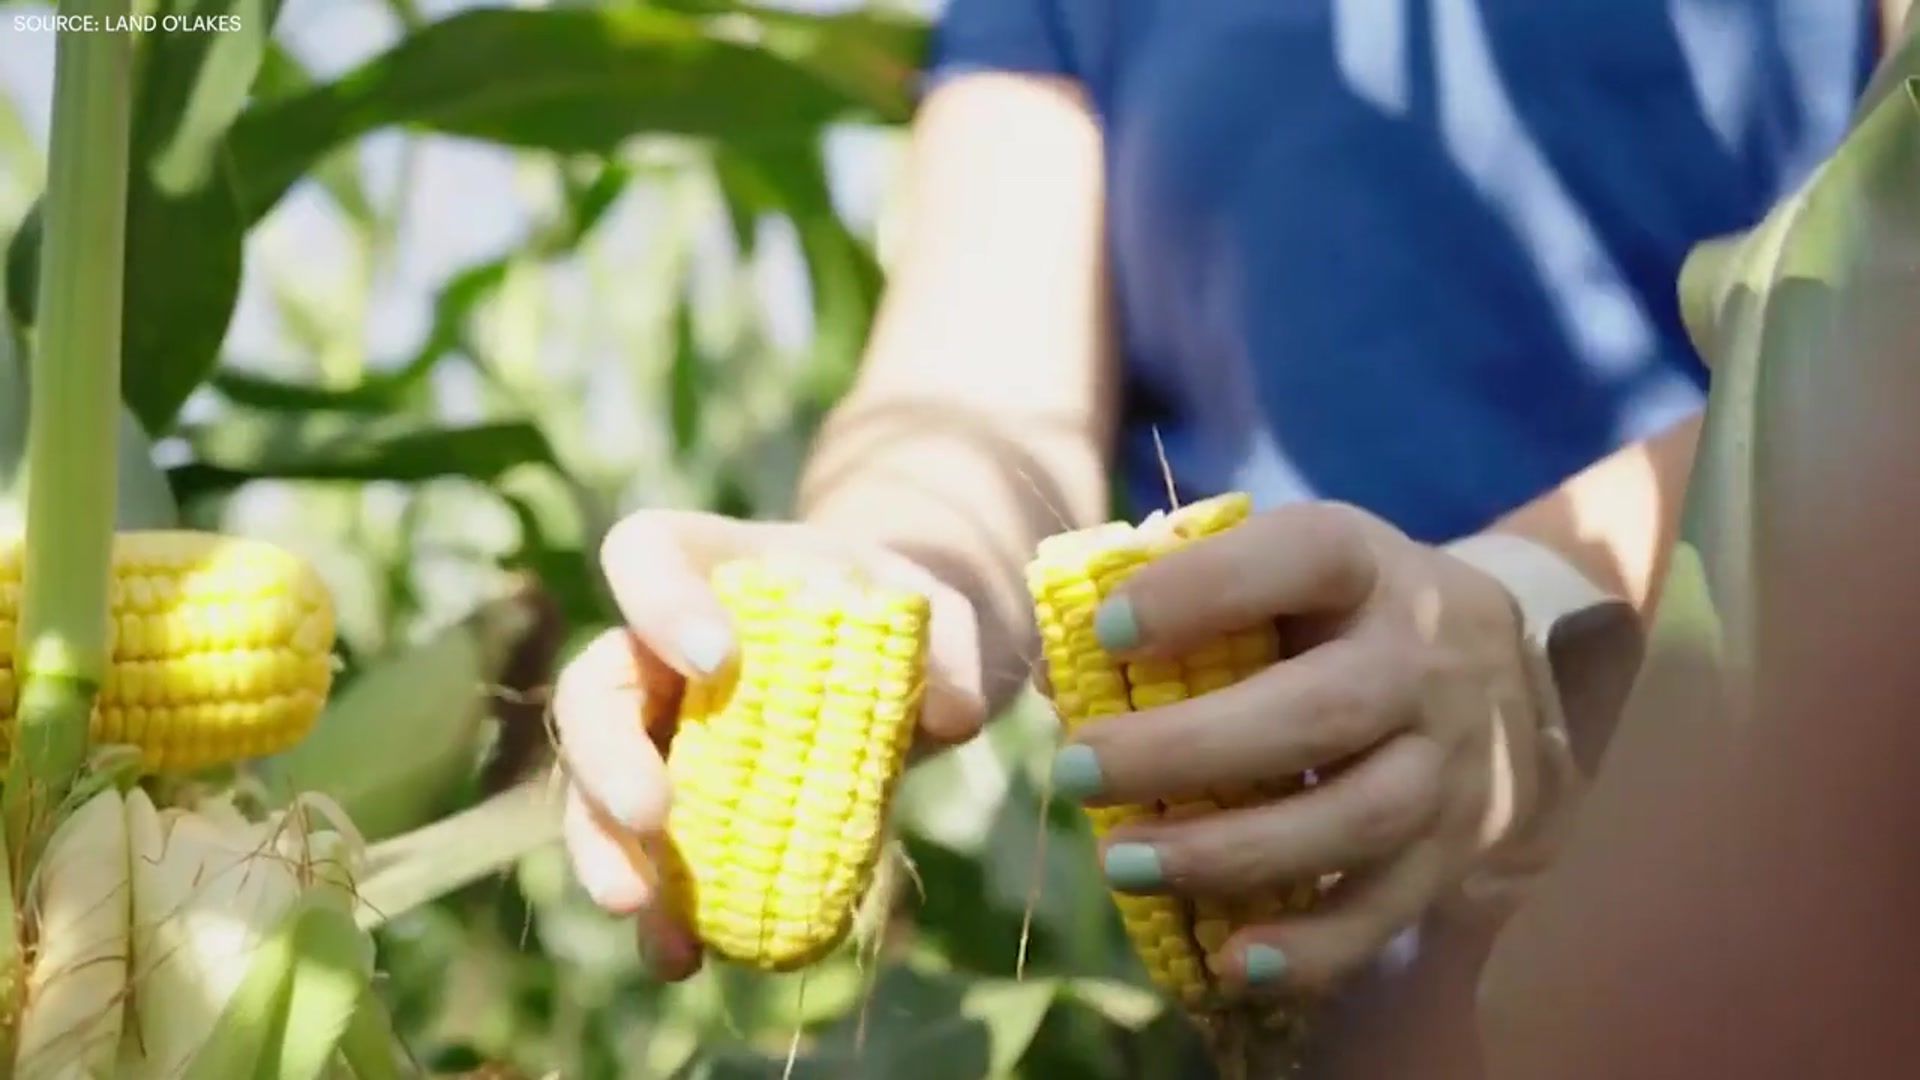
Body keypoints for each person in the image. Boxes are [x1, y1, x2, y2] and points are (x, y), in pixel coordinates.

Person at [551, 0, 1890, 1070]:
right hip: (1304, 982)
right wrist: (881, 580)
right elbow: (980, 386)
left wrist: (1526, 615)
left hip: (1770, 922)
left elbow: (1897, 304)